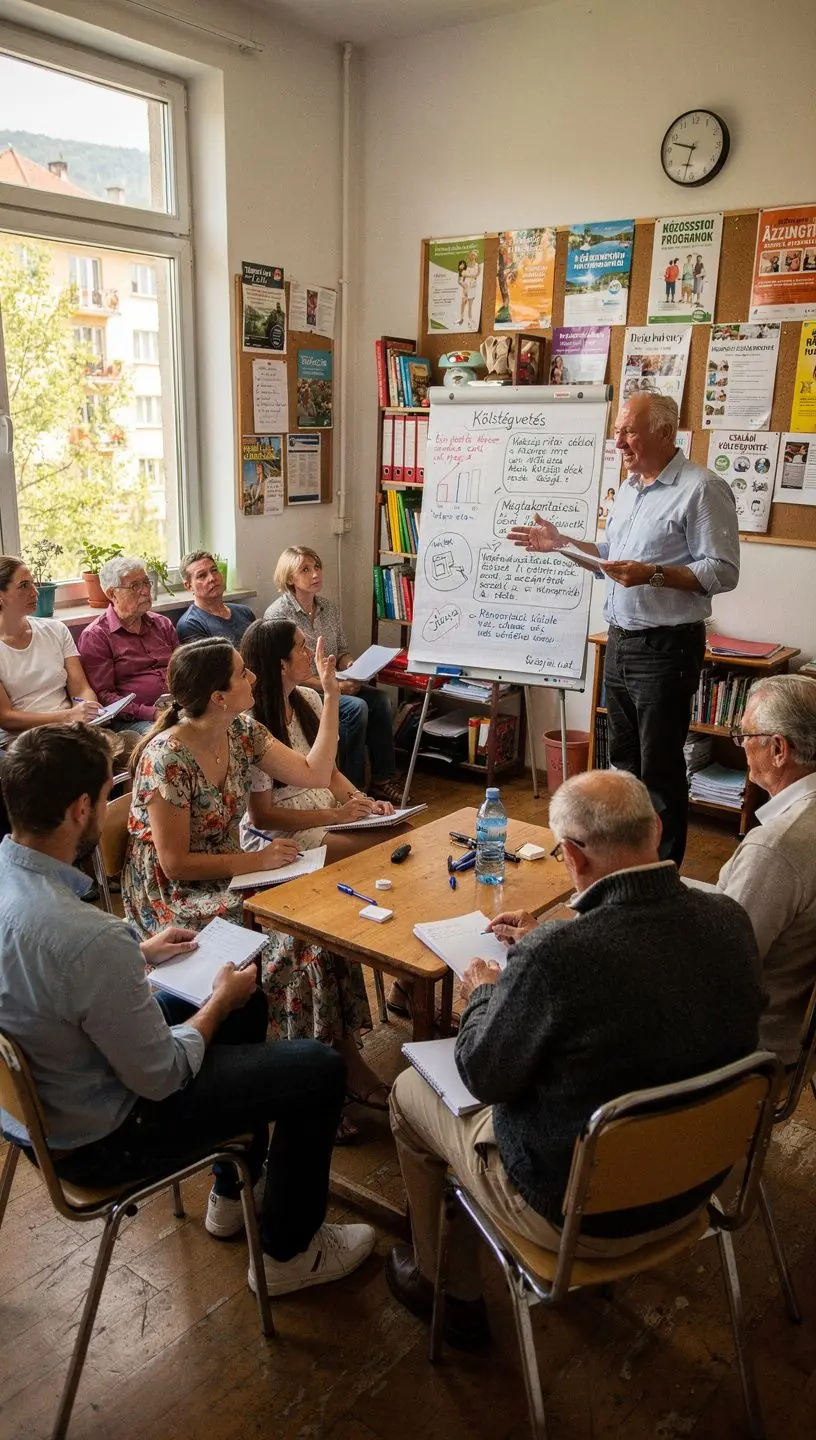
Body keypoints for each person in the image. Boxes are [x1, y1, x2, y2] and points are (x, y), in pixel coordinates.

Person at [385, 770, 761, 1349]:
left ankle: (447, 1291)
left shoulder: (556, 958)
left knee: (410, 1091)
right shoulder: (730, 920)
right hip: (695, 1187)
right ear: (656, 831)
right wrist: (549, 937)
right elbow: (649, 976)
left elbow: (483, 1074)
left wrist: (484, 990)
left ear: (570, 856)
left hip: (574, 1214)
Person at [0, 723, 374, 1297]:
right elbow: (162, 1076)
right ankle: (287, 1254)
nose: (109, 814)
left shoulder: (23, 892)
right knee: (317, 1070)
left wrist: (139, 952)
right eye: (107, 798)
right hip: (102, 1138)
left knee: (246, 1009)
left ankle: (230, 1195)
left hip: (36, 1108)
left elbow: (48, 970)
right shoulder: (88, 938)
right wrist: (217, 1004)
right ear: (80, 809)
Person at [121, 635, 388, 1127]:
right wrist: (257, 861)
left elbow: (314, 771)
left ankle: (335, 1062)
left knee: (319, 922)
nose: (254, 678)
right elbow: (176, 864)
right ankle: (303, 1082)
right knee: (294, 941)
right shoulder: (167, 757)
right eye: (243, 673)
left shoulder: (241, 730)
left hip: (226, 868)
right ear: (218, 697)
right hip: (171, 896)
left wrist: (330, 695)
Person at [508, 392, 740, 865]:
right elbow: (609, 560)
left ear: (662, 431)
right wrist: (561, 543)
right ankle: (622, 866)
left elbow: (723, 571)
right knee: (623, 770)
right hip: (619, 643)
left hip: (666, 649)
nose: (618, 441)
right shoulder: (631, 487)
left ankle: (661, 876)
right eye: (617, 430)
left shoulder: (701, 488)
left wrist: (653, 574)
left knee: (659, 772)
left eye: (628, 431)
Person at [716, 675, 816, 1065]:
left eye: (745, 736)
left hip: (747, 1049)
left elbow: (718, 967)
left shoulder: (775, 847)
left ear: (778, 749)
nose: (740, 746)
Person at [238, 617, 397, 860]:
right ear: (282, 665)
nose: (310, 653)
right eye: (301, 647)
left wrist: (363, 803)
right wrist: (336, 816)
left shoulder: (309, 699)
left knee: (401, 830)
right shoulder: (251, 724)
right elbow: (263, 816)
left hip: (327, 811)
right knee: (383, 847)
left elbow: (331, 774)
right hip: (282, 833)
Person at [265, 546, 402, 802]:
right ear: (290, 578)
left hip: (336, 680)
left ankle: (383, 779)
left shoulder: (329, 608)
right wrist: (332, 688)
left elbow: (342, 652)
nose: (315, 574)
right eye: (305, 569)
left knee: (381, 701)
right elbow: (287, 671)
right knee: (356, 708)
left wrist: (351, 666)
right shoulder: (277, 615)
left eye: (317, 567)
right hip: (306, 687)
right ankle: (351, 788)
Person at [0, 555, 100, 735]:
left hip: (69, 730)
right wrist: (69, 716)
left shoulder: (56, 630)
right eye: (24, 585)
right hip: (24, 741)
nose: (35, 592)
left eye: (32, 584)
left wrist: (87, 714)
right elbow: (6, 718)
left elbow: (81, 688)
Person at [78, 555, 177, 735]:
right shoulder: (96, 636)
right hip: (134, 720)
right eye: (134, 586)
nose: (145, 591)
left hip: (177, 706)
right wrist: (152, 713)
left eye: (146, 583)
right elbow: (105, 697)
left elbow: (184, 669)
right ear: (111, 594)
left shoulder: (162, 624)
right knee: (169, 737)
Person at [176, 550, 255, 646]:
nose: (212, 578)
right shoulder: (190, 624)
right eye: (202, 575)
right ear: (189, 586)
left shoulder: (245, 612)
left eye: (214, 570)